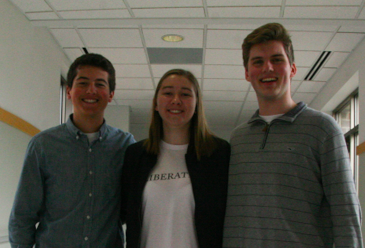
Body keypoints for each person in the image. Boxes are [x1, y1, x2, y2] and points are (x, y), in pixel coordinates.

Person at [223, 23, 363, 247]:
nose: (268, 67)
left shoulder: (323, 128)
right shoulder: (238, 138)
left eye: (277, 59)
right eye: (258, 61)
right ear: (247, 74)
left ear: (293, 69)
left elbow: (345, 211)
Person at [8, 53, 136, 248]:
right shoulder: (43, 145)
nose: (91, 90)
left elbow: (131, 208)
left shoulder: (125, 145)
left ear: (111, 95)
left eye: (100, 84)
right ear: (69, 91)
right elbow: (23, 215)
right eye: (83, 83)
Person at [121, 69, 230, 248]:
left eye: (185, 94)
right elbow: (124, 213)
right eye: (168, 93)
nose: (176, 100)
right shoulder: (136, 155)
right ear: (156, 103)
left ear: (196, 105)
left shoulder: (218, 154)